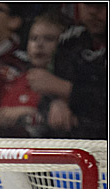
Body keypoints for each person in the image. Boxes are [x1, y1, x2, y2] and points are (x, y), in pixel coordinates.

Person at [0, 10, 69, 138]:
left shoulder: (65, 85)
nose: (39, 45)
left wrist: (27, 113)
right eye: (33, 38)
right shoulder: (14, 79)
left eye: (49, 39)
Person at [45, 2, 107, 139]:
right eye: (87, 5)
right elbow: (48, 87)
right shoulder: (70, 42)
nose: (93, 12)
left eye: (101, 5)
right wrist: (57, 101)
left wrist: (66, 90)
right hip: (75, 138)